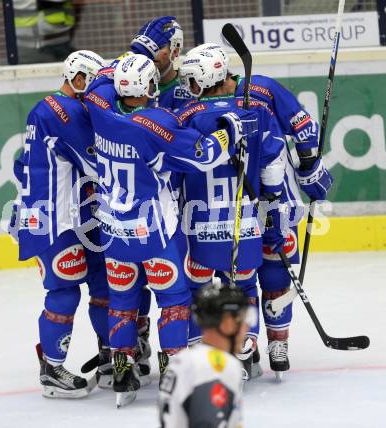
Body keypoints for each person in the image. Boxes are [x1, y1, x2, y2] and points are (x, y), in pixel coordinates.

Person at [84, 53, 244, 407]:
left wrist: (121, 65)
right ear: (151, 86)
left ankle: (123, 367)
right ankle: (174, 369)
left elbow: (97, 85)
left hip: (113, 234)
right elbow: (203, 154)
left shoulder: (100, 112)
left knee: (123, 301)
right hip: (154, 234)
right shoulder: (156, 122)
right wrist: (228, 131)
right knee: (174, 300)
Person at [183, 43, 334, 379]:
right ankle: (242, 345)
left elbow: (303, 126)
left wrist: (308, 164)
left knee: (276, 273)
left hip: (276, 201)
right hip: (246, 203)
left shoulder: (263, 88)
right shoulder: (196, 105)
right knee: (242, 275)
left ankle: (277, 342)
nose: (189, 87)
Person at [177, 47, 286, 380]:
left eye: (193, 80)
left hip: (198, 225)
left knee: (198, 289)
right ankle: (243, 348)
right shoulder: (257, 112)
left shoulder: (185, 116)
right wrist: (271, 202)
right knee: (244, 288)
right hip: (245, 223)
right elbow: (273, 165)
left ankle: (205, 354)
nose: (188, 86)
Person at [9, 50, 112, 398]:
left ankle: (110, 354)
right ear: (78, 78)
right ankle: (51, 369)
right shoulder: (64, 112)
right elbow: (99, 167)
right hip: (54, 220)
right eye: (94, 83)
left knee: (102, 284)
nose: (99, 92)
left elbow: (23, 165)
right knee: (64, 291)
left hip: (78, 215)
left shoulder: (53, 108)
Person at [159, 282, 250, 428]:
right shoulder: (215, 366)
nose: (247, 327)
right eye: (243, 320)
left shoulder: (186, 359)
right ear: (227, 323)